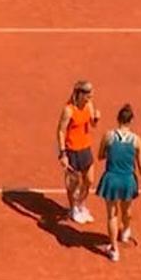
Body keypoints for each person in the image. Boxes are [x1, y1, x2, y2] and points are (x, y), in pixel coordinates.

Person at [95, 103, 141, 262]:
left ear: (118, 119)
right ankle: (126, 231)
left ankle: (114, 250)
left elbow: (100, 156)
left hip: (111, 180)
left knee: (112, 215)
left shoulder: (108, 136)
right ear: (131, 121)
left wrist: (113, 154)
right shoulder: (137, 140)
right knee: (126, 211)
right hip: (128, 180)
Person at [57, 80, 101, 224]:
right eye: (88, 93)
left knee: (89, 180)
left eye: (91, 92)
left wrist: (96, 119)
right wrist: (63, 154)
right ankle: (73, 209)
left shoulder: (89, 105)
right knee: (73, 183)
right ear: (79, 93)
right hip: (72, 150)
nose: (91, 95)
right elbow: (60, 131)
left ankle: (81, 205)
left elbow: (92, 124)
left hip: (85, 148)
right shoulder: (68, 110)